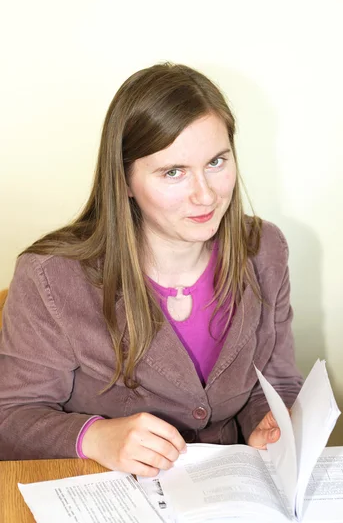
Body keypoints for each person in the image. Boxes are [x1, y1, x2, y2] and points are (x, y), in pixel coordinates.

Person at [0, 63, 303, 475]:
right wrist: (94, 436)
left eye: (216, 162)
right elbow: (11, 417)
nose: (205, 195)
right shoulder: (51, 276)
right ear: (123, 181)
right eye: (173, 172)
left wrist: (266, 425)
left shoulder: (264, 249)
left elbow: (277, 384)